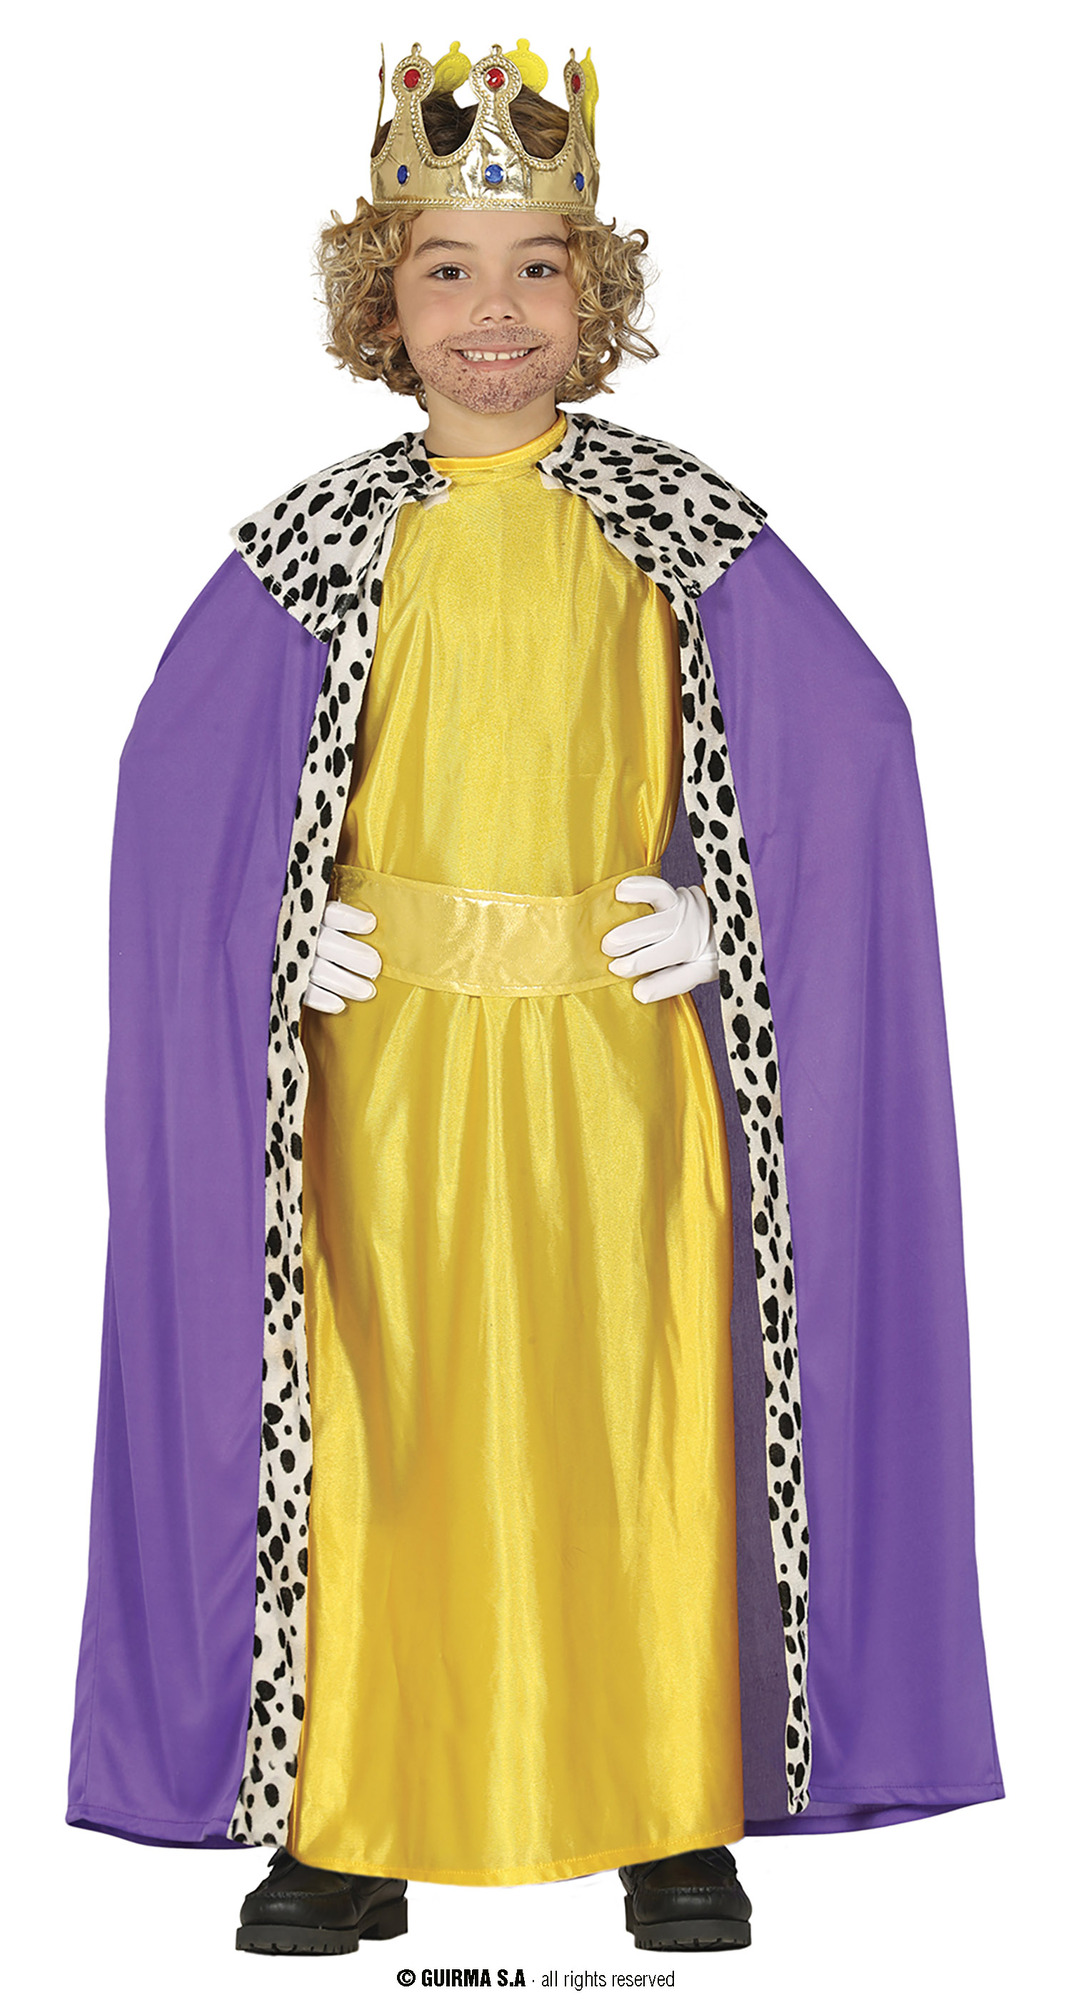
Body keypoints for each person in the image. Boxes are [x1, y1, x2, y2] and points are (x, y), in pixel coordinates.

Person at [67, 38, 1004, 1959]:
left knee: (631, 1422)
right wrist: (274, 929)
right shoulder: (321, 542)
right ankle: (350, 1815)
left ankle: (671, 1805)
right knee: (381, 1429)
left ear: (598, 293)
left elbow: (855, 747)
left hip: (616, 1068)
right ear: (381, 299)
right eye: (447, 270)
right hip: (387, 1073)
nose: (493, 311)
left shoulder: (678, 523)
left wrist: (724, 909)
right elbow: (177, 796)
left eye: (538, 269)